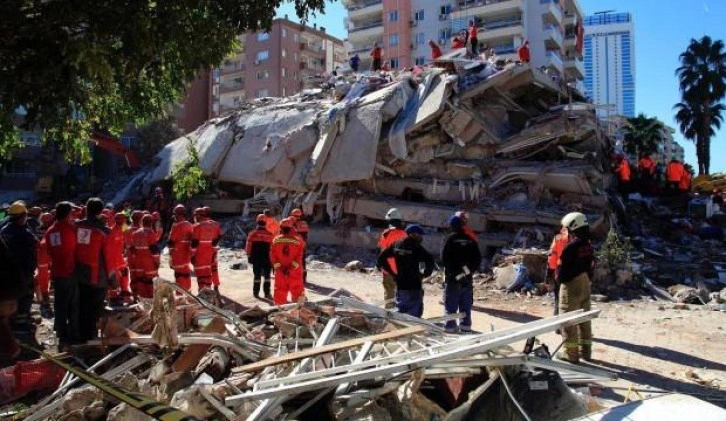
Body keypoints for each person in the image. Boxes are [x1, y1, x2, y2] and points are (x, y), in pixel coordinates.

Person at [74, 198, 117, 342]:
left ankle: (79, 335)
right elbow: (109, 259)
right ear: (100, 212)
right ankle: (89, 338)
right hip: (97, 279)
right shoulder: (105, 232)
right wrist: (113, 280)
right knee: (94, 311)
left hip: (78, 275)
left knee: (81, 306)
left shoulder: (76, 226)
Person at [0, 201, 38, 358]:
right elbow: (31, 257)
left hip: (7, 279)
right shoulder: (26, 234)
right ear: (23, 217)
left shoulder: (3, 230)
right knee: (23, 300)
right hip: (19, 276)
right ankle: (20, 330)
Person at [557, 212, 595, 363]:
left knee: (568, 321)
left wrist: (559, 282)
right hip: (585, 283)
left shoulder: (570, 247)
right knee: (584, 319)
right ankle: (586, 353)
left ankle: (571, 355)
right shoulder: (588, 244)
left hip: (571, 285)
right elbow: (591, 265)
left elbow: (563, 271)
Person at [377, 224, 434, 318]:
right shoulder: (417, 247)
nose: (421, 237)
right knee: (415, 312)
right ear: (412, 234)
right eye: (419, 235)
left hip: (401, 283)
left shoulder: (396, 244)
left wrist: (392, 273)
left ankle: (403, 328)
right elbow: (430, 260)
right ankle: (412, 329)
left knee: (401, 310)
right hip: (415, 284)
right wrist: (425, 274)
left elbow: (381, 259)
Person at [45, 202, 78, 348]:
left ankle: (60, 332)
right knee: (72, 305)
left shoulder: (50, 231)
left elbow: (52, 252)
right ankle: (71, 333)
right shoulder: (71, 230)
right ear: (68, 213)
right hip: (70, 272)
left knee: (59, 303)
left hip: (57, 272)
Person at [441, 215, 481, 333]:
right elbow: (477, 260)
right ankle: (465, 327)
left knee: (451, 307)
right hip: (467, 280)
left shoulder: (449, 239)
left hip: (453, 280)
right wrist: (466, 273)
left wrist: (458, 275)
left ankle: (450, 328)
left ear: (451, 226)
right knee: (465, 307)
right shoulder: (470, 240)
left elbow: (445, 260)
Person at [377, 208, 408, 309]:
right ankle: (400, 313)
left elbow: (382, 250)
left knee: (389, 292)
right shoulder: (404, 234)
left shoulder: (386, 233)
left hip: (388, 269)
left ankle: (389, 313)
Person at [269, 217, 305, 305]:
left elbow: (273, 257)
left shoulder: (275, 240)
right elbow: (299, 257)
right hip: (294, 272)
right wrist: (290, 268)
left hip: (281, 273)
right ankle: (301, 313)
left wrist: (281, 269)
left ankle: (279, 314)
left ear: (280, 228)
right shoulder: (298, 240)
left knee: (280, 295)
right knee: (298, 294)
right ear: (291, 228)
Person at [129, 214, 161, 298]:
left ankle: (143, 300)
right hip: (149, 262)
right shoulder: (151, 232)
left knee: (140, 281)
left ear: (142, 222)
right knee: (151, 281)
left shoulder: (135, 233)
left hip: (139, 262)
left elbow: (132, 249)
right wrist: (157, 262)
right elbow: (154, 249)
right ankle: (151, 299)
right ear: (151, 223)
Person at [191, 207, 221, 292]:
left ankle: (203, 295)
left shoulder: (197, 226)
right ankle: (214, 287)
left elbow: (194, 243)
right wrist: (213, 246)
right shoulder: (214, 224)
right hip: (211, 251)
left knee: (201, 276)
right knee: (212, 271)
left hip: (200, 253)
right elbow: (219, 237)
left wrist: (192, 256)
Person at [246, 215, 274, 299]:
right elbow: (273, 248)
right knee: (267, 276)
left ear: (257, 222)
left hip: (256, 258)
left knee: (257, 276)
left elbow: (248, 245)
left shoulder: (252, 233)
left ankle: (256, 293)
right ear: (266, 223)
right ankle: (267, 293)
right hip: (267, 258)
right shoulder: (270, 234)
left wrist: (249, 255)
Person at [168, 205, 194, 291]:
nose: (174, 216)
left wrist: (170, 255)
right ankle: (188, 292)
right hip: (186, 254)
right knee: (186, 274)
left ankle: (180, 295)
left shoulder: (176, 226)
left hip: (177, 253)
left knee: (178, 275)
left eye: (175, 214)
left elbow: (171, 242)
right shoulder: (190, 225)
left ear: (179, 214)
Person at [107, 212, 131, 304]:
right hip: (113, 258)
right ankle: (113, 296)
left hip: (120, 256)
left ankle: (124, 290)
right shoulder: (112, 231)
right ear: (118, 220)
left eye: (124, 219)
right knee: (115, 276)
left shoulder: (123, 228)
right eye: (123, 219)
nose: (124, 221)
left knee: (124, 271)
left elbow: (129, 233)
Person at [36, 213, 55, 317]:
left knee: (43, 275)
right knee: (43, 275)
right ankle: (44, 296)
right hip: (47, 253)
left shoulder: (38, 229)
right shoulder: (53, 229)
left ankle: (44, 296)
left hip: (43, 254)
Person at [290, 208, 309, 284]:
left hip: (294, 246)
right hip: (302, 245)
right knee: (302, 261)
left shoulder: (292, 224)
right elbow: (306, 234)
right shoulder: (304, 223)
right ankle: (303, 278)